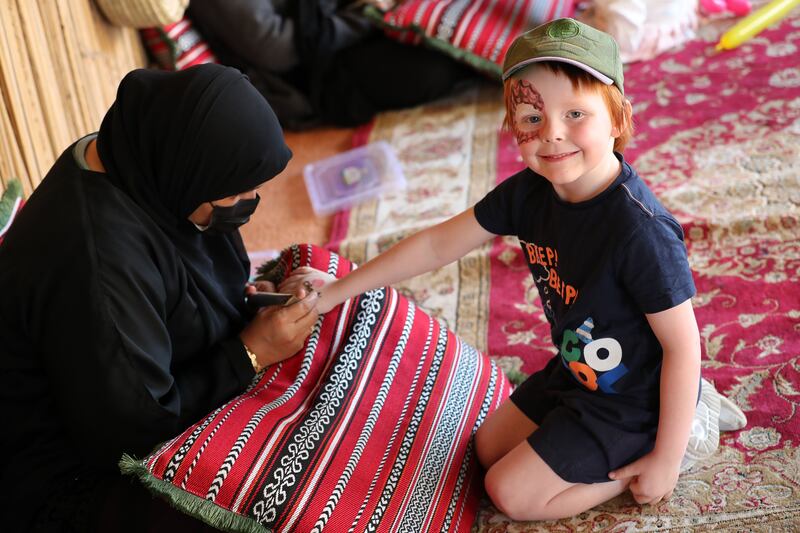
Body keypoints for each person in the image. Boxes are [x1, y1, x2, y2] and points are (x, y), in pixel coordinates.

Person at [281, 18, 745, 520]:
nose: (552, 135)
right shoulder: (529, 193)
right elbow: (437, 243)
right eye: (530, 117)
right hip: (580, 372)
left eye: (575, 114)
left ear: (617, 119)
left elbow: (683, 346)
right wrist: (333, 293)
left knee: (510, 493)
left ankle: (686, 428)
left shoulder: (641, 232)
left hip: (636, 402)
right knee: (487, 449)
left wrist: (666, 459)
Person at [0, 64, 319, 531]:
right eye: (235, 189)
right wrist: (250, 352)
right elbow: (133, 432)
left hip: (112, 395)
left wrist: (245, 300)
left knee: (336, 302)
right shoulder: (97, 263)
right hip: (67, 478)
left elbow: (178, 267)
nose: (249, 200)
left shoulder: (138, 155)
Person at [187, 0, 478, 129]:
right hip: (316, 70)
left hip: (337, 26)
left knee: (455, 22)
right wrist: (366, 14)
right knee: (433, 67)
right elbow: (278, 49)